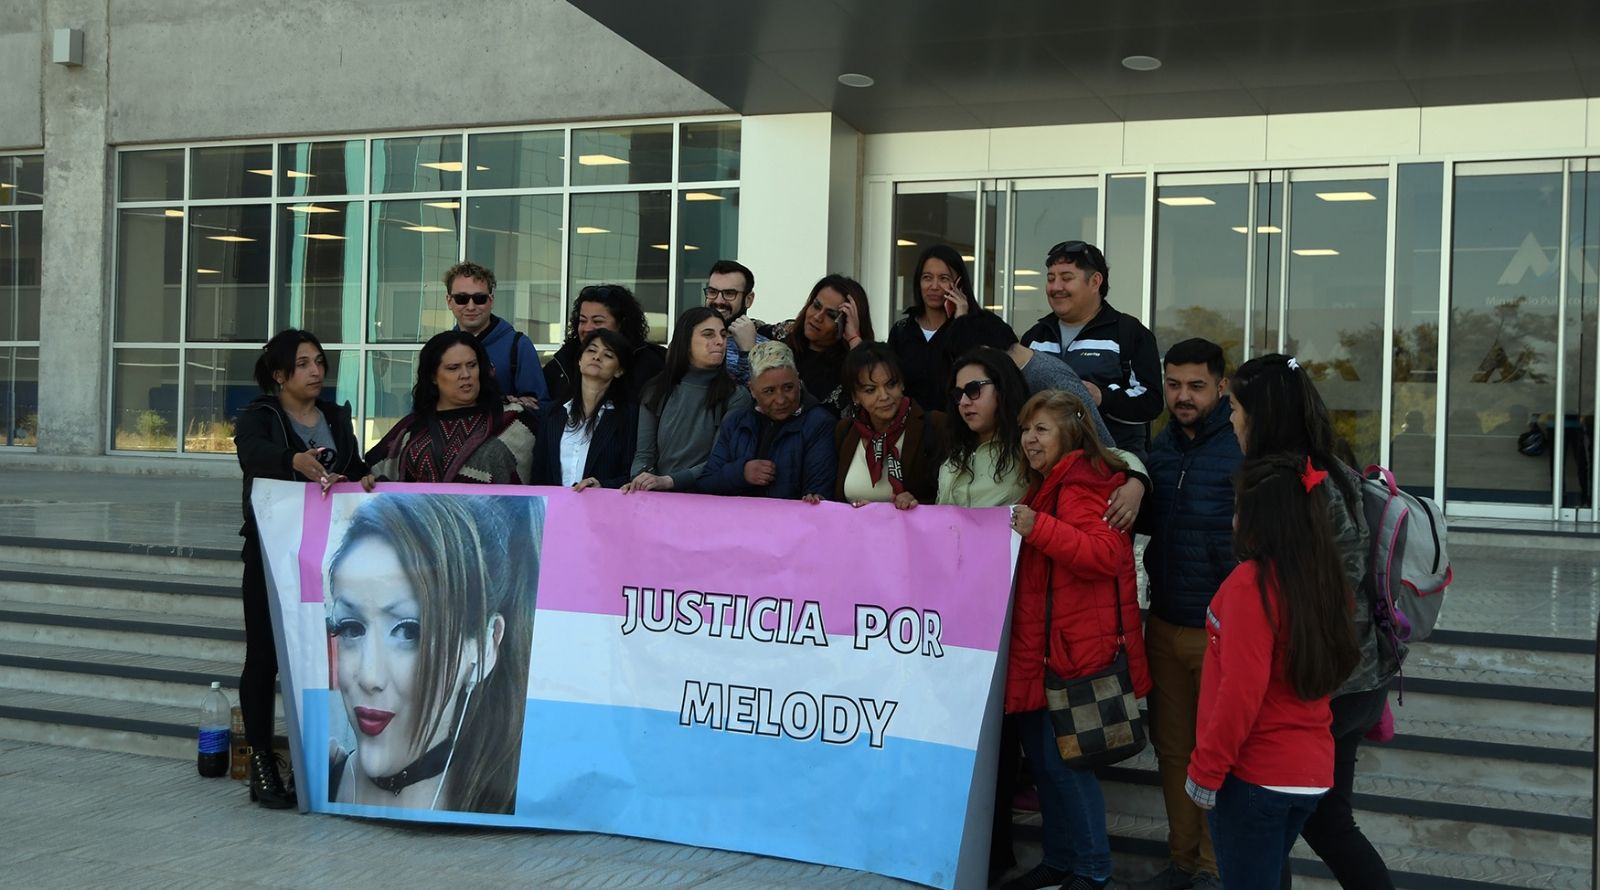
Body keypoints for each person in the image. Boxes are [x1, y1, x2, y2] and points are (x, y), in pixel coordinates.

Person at [1229, 353, 1394, 890]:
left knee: (1267, 822)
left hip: (1312, 683)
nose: (1230, 419)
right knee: (1326, 821)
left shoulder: (1285, 483)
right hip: (1355, 673)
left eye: (1235, 407)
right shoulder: (1334, 465)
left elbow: (1280, 594)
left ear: (1262, 414)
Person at [1185, 455, 1362, 888]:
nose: (1232, 520)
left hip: (1255, 774)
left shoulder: (1251, 584)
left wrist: (1206, 770)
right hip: (1309, 770)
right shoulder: (1325, 579)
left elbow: (1240, 692)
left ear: (1260, 521)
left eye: (1238, 509)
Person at [1003, 390, 1150, 890]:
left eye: (1041, 429)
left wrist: (1039, 528)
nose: (1029, 439)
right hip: (1044, 652)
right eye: (1026, 429)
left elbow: (1107, 555)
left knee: (1068, 767)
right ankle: (1060, 860)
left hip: (1072, 656)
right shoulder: (1048, 485)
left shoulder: (1081, 484)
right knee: (1048, 767)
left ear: (1070, 433)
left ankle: (1092, 871)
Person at [325, 493, 538, 813]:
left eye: (409, 632)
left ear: (484, 645)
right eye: (351, 628)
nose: (369, 677)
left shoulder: (509, 804)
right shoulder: (322, 778)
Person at [233, 329, 372, 809]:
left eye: (319, 362)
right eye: (304, 364)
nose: (316, 372)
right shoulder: (260, 417)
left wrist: (363, 477)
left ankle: (310, 759)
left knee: (316, 653)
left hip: (326, 555)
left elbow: (354, 465)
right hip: (272, 554)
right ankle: (261, 760)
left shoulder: (335, 417)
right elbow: (253, 456)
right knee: (264, 656)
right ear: (279, 374)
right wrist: (293, 460)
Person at [1131, 339, 1241, 890]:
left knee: (1218, 755)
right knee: (1172, 751)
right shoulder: (1162, 445)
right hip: (1164, 620)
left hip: (1221, 631)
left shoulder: (1241, 446)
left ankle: (1216, 871)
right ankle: (1182, 862)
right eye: (1173, 385)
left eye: (1196, 386)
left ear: (1221, 386)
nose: (1182, 397)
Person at [1018, 241, 1162, 455]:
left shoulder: (1129, 333)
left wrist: (1102, 398)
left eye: (1066, 278)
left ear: (1095, 282)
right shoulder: (1035, 336)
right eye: (1051, 278)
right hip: (1042, 466)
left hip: (1109, 464)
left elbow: (1151, 403)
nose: (1056, 287)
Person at [364, 331, 536, 485]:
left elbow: (538, 481)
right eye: (453, 368)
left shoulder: (514, 421)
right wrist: (368, 482)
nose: (466, 375)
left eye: (472, 365)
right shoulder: (412, 427)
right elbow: (373, 476)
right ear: (433, 376)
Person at [625, 307, 751, 493]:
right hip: (658, 500)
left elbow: (720, 460)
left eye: (723, 335)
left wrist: (669, 481)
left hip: (708, 500)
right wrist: (641, 480)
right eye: (708, 334)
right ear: (685, 341)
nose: (720, 341)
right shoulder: (656, 390)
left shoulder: (735, 396)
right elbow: (644, 455)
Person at [887, 245, 1016, 412]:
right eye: (927, 278)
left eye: (943, 278)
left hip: (962, 422)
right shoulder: (902, 330)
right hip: (914, 424)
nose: (934, 286)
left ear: (959, 283)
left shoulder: (986, 325)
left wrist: (962, 322)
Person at [701, 340, 836, 501]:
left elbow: (818, 492)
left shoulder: (819, 423)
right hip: (738, 515)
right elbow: (706, 483)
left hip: (790, 516)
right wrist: (741, 473)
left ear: (798, 380)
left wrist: (814, 498)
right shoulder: (735, 422)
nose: (780, 400)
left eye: (788, 387)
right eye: (769, 391)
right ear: (752, 390)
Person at [833, 343, 948, 507]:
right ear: (855, 396)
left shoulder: (935, 426)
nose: (884, 396)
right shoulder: (845, 431)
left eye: (891, 384)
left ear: (902, 384)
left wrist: (915, 505)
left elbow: (951, 498)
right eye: (870, 390)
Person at [531, 329, 637, 490]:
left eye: (608, 355)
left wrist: (603, 486)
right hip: (556, 504)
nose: (597, 357)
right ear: (580, 360)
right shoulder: (552, 412)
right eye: (591, 350)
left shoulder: (627, 415)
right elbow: (539, 472)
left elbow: (631, 475)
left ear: (619, 371)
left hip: (603, 504)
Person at [442, 261, 550, 412]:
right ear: (449, 301)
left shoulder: (519, 346)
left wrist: (510, 405)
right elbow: (423, 405)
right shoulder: (440, 350)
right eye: (461, 299)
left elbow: (541, 409)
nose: (471, 306)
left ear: (491, 300)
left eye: (480, 298)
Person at [542, 284, 666, 405]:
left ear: (621, 324)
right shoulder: (561, 364)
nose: (587, 328)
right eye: (582, 321)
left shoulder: (650, 365)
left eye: (597, 321)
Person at [767, 274, 874, 415]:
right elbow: (748, 326)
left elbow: (869, 393)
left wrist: (854, 338)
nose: (817, 317)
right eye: (816, 306)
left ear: (847, 324)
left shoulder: (848, 366)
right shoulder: (786, 333)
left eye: (831, 315)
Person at [704, 259, 766, 383]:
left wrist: (748, 352)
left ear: (748, 299)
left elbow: (757, 392)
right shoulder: (690, 338)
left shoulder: (766, 350)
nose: (718, 301)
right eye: (712, 292)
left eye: (729, 293)